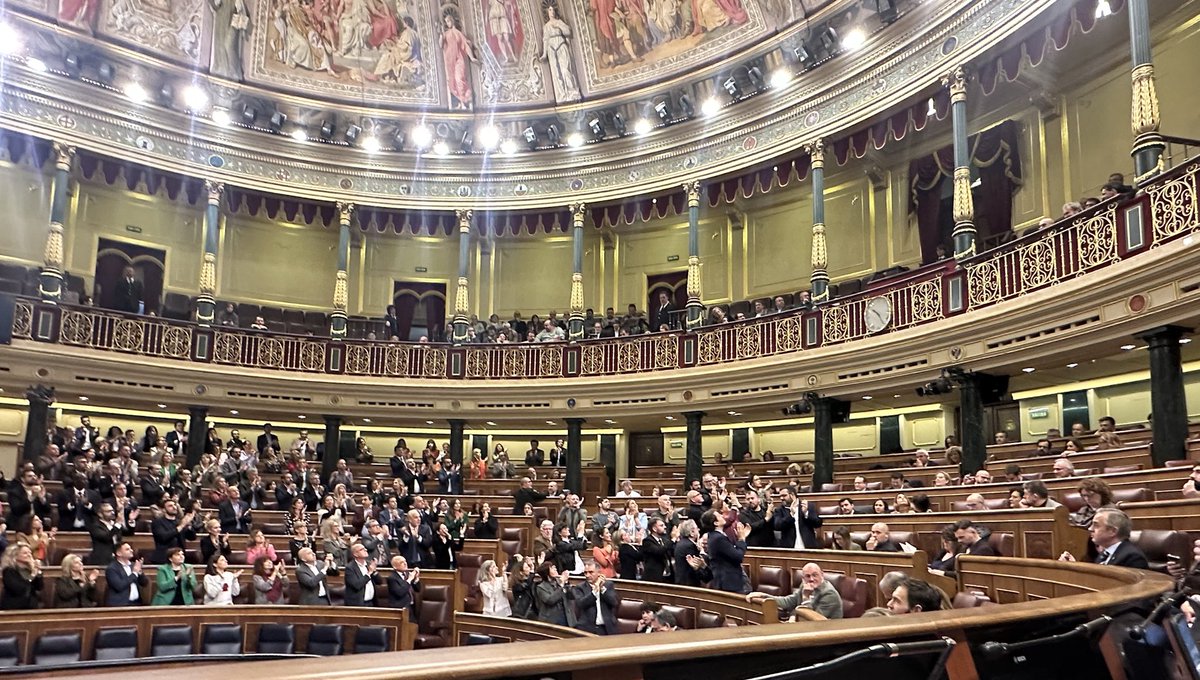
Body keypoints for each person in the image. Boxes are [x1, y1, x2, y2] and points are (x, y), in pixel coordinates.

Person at [747, 562, 842, 620]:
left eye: (815, 575)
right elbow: (788, 601)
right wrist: (762, 596)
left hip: (826, 635)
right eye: (808, 576)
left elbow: (813, 620)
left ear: (822, 575)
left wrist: (805, 597)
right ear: (803, 578)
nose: (811, 579)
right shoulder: (805, 586)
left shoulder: (829, 594)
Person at [1059, 509, 1148, 568]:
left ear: (1112, 531)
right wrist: (1074, 566)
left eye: (1096, 525)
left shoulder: (1132, 558)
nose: (1090, 529)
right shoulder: (1105, 554)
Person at [702, 509, 751, 594]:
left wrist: (741, 539)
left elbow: (729, 552)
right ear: (716, 523)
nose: (722, 516)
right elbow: (738, 556)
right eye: (719, 515)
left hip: (724, 581)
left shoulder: (714, 536)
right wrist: (741, 540)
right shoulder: (718, 538)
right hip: (729, 583)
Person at [569, 561, 619, 634]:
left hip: (606, 627)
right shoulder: (579, 588)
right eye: (585, 573)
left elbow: (614, 602)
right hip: (587, 628)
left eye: (591, 572)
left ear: (599, 573)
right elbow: (581, 604)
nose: (587, 575)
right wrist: (595, 591)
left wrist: (602, 589)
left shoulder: (608, 585)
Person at [534, 560, 574, 626]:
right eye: (552, 567)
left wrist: (566, 583)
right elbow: (550, 600)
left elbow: (571, 596)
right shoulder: (541, 587)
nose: (555, 568)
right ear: (547, 572)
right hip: (551, 620)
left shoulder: (559, 582)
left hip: (566, 617)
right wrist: (561, 585)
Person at [344, 542, 381, 606]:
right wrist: (369, 572)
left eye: (365, 549)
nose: (365, 550)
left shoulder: (369, 564)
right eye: (362, 549)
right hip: (358, 604)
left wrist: (374, 571)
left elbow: (379, 582)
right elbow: (357, 585)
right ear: (355, 554)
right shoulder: (350, 568)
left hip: (371, 602)